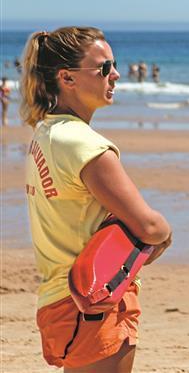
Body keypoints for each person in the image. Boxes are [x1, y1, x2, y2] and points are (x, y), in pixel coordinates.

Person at [20, 27, 172, 372]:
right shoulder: (85, 145)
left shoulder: (46, 133)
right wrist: (165, 231)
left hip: (58, 300)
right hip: (93, 301)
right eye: (104, 68)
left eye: (114, 65)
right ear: (67, 78)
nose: (115, 75)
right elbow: (148, 225)